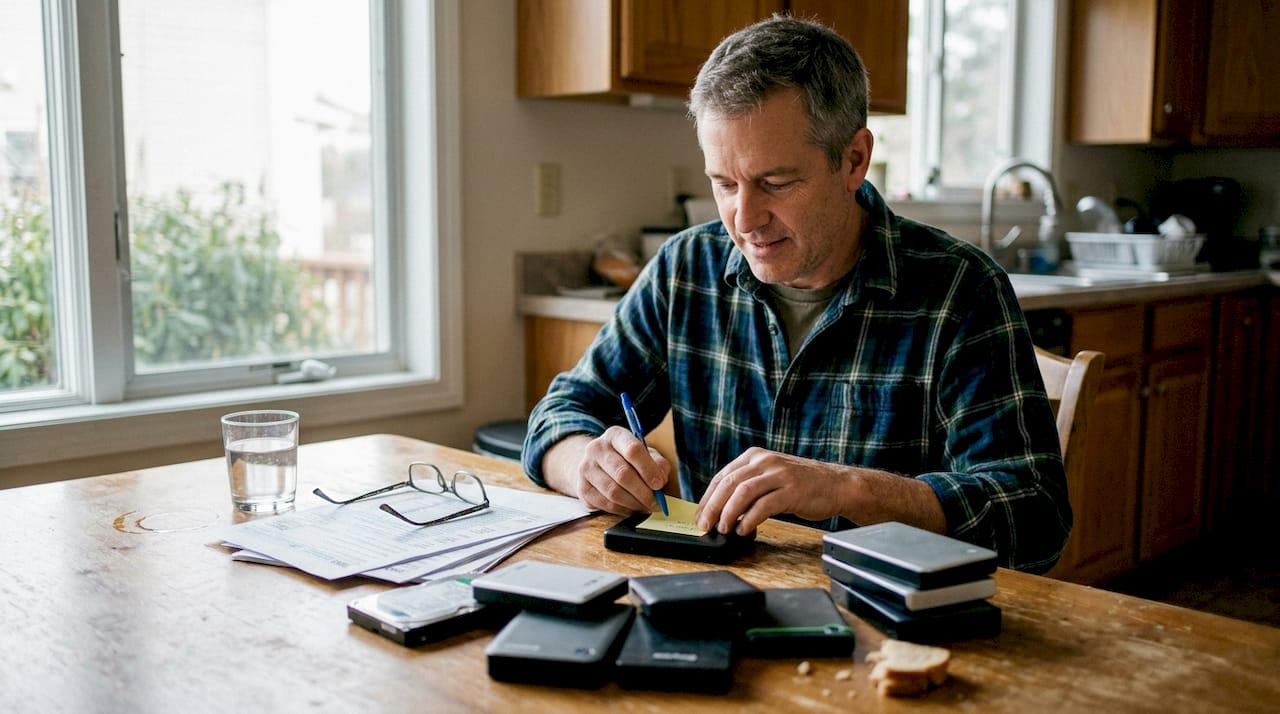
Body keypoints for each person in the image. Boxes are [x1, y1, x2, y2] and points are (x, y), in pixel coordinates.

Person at [522, 15, 1071, 573]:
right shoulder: (685, 269)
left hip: (883, 622)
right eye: (724, 183)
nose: (745, 218)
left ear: (854, 160)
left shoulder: (961, 291)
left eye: (776, 183)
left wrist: (848, 489)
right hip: (711, 603)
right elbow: (559, 415)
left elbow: (1036, 518)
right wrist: (583, 464)